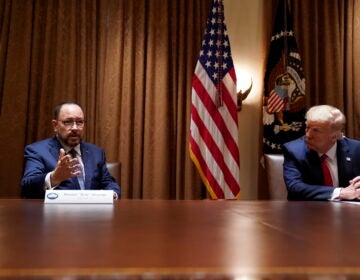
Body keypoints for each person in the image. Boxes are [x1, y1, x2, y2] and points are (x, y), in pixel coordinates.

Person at [21, 101, 121, 199]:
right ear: (55, 125)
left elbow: (109, 182)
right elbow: (27, 187)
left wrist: (112, 194)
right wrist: (54, 178)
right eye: (68, 122)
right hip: (56, 213)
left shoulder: (96, 152)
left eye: (79, 122)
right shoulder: (37, 150)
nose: (75, 128)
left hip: (92, 213)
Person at [283, 105, 360, 201]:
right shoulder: (294, 150)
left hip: (349, 212)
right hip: (308, 211)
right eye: (307, 127)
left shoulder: (356, 149)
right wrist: (339, 192)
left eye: (315, 130)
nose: (308, 135)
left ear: (334, 136)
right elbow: (295, 187)